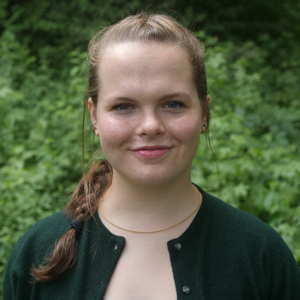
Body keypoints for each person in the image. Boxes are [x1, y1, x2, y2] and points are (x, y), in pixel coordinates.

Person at [4, 13, 300, 300]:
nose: (150, 126)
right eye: (123, 106)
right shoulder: (38, 253)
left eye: (173, 104)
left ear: (204, 112)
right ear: (94, 116)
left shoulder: (260, 256)